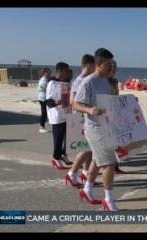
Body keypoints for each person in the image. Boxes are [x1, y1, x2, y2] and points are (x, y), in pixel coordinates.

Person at [73, 48, 119, 211]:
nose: (111, 67)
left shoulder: (106, 81)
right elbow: (75, 104)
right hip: (94, 128)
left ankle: (87, 189)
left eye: (112, 64)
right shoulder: (88, 82)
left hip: (105, 125)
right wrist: (90, 110)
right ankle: (109, 199)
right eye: (109, 64)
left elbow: (110, 101)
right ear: (99, 64)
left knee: (97, 161)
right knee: (110, 164)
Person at [64, 54, 95, 187]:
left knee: (89, 148)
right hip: (80, 118)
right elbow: (72, 101)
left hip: (86, 117)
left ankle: (85, 172)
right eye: (94, 65)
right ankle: (72, 173)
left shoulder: (87, 79)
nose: (95, 68)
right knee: (87, 148)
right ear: (87, 65)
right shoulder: (80, 80)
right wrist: (89, 108)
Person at [46, 62, 72, 170]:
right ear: (59, 70)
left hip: (66, 113)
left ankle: (63, 155)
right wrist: (57, 103)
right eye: (66, 70)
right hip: (56, 114)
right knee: (58, 137)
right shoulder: (52, 83)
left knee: (67, 137)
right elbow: (48, 100)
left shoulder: (66, 82)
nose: (67, 73)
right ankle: (56, 158)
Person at [37, 67, 51, 133]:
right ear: (45, 73)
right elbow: (46, 89)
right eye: (49, 72)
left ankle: (42, 126)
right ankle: (41, 127)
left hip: (43, 98)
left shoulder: (45, 79)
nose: (50, 74)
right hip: (43, 98)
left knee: (46, 112)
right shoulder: (43, 80)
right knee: (44, 112)